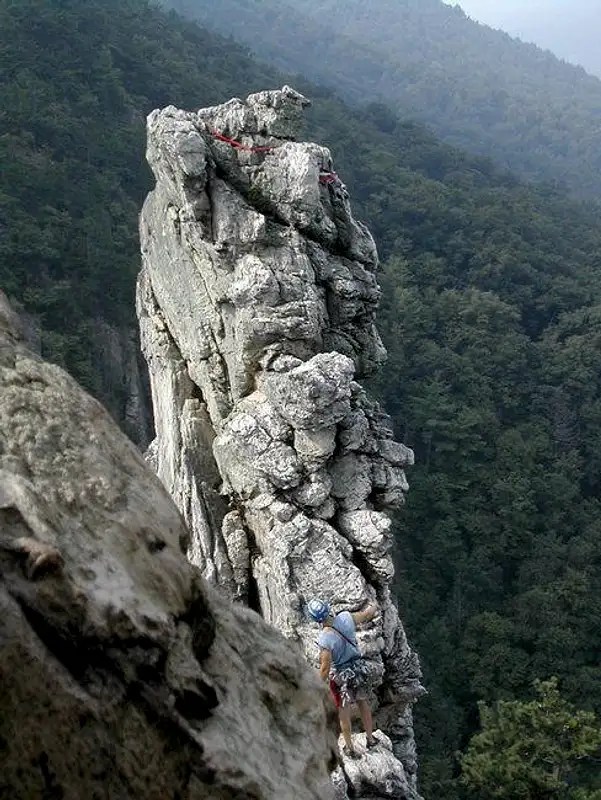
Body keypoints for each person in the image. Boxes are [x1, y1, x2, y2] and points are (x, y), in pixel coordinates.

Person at [308, 598, 379, 758]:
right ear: (328, 608)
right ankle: (370, 738)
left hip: (342, 678)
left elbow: (325, 667)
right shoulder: (345, 617)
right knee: (363, 703)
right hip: (358, 670)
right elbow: (366, 615)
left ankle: (350, 748)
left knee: (343, 713)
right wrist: (374, 605)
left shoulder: (325, 639)